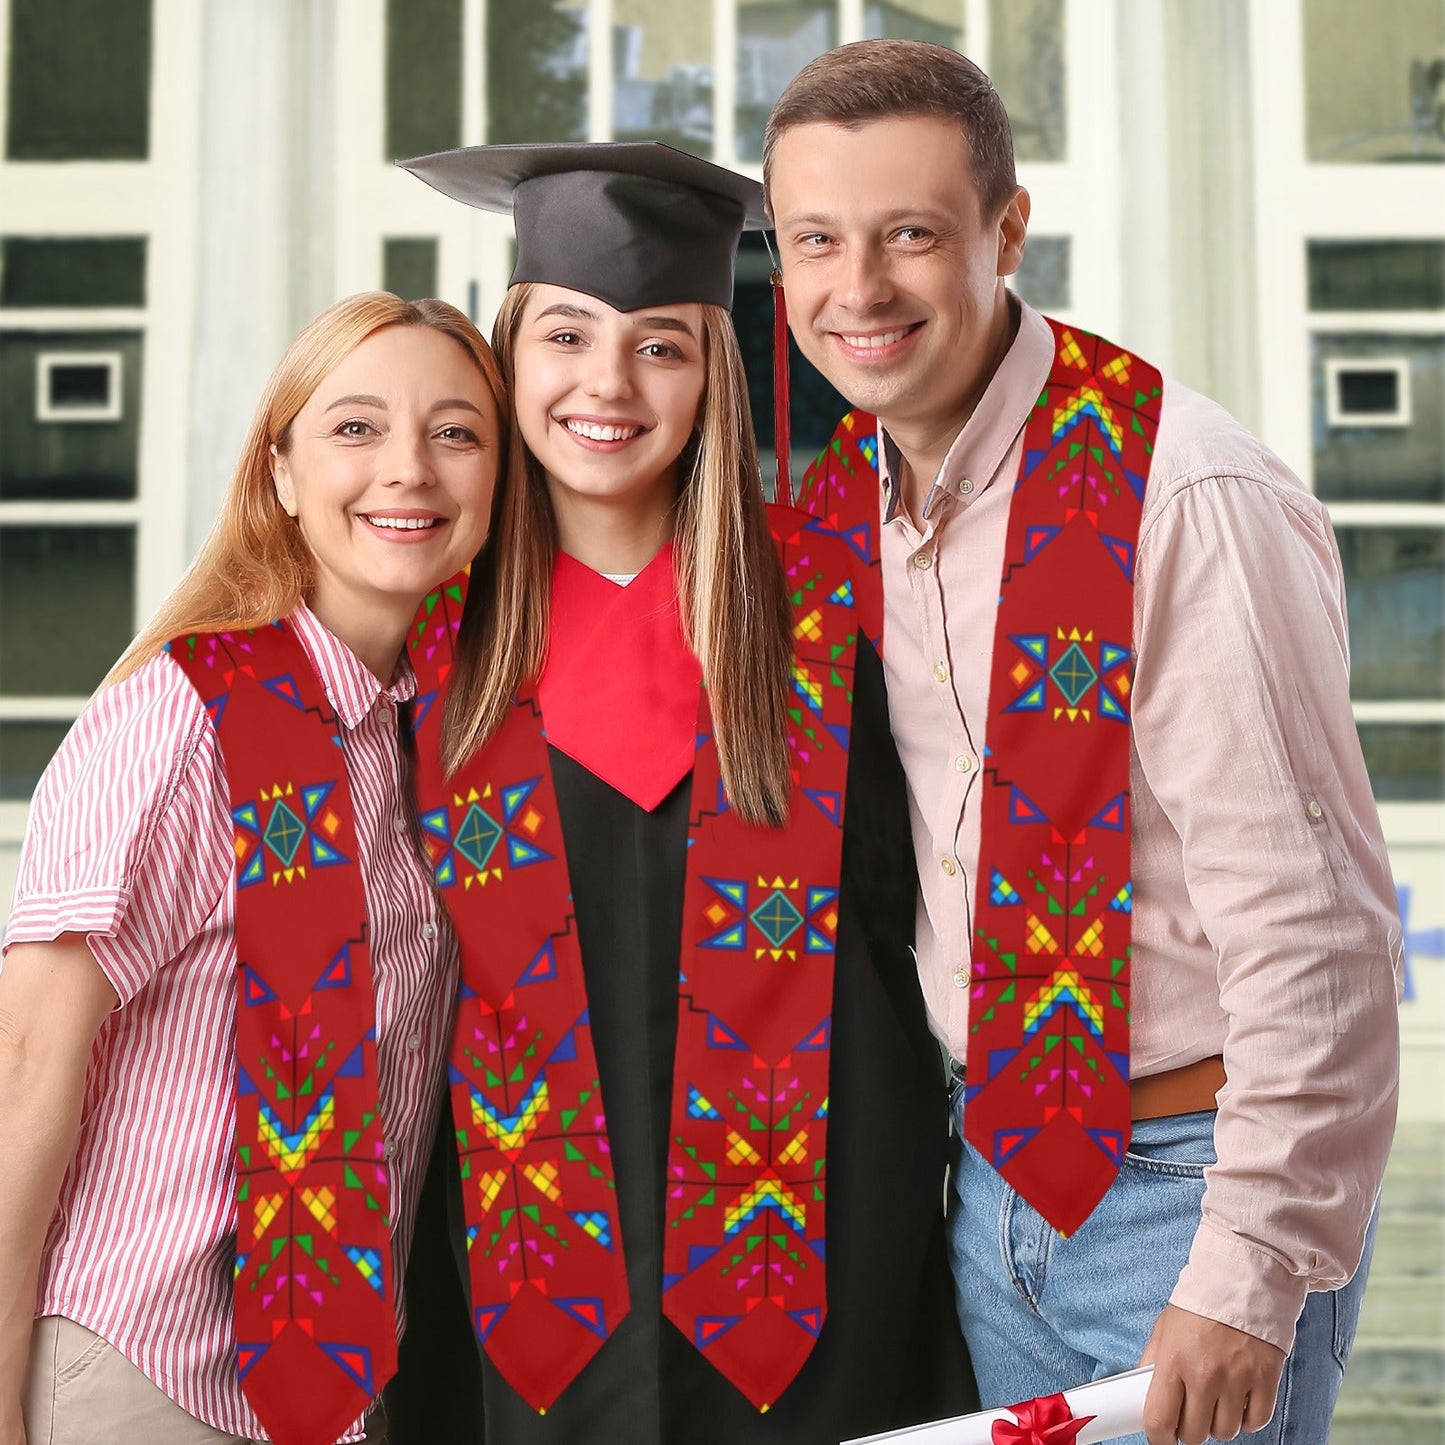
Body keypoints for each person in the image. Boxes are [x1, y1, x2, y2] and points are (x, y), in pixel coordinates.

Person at [762, 39, 1403, 1445]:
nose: (856, 289)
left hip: (1188, 1191)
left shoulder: (1182, 497)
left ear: (1005, 231)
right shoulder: (854, 500)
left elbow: (1321, 934)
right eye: (817, 239)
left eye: (910, 235)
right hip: (992, 1178)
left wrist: (1246, 1273)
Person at [382, 141, 973, 1444]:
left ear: (713, 373)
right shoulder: (422, 637)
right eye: (568, 336)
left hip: (819, 1267)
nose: (607, 383)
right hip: (513, 1283)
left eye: (660, 345)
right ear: (506, 354)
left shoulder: (830, 605)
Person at [0, 292, 506, 1445]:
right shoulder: (178, 718)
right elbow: (26, 1053)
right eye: (356, 427)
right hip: (138, 1369)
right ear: (278, 473)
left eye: (456, 432)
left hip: (329, 1391)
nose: (408, 470)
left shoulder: (425, 739)